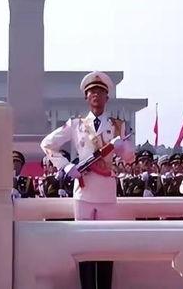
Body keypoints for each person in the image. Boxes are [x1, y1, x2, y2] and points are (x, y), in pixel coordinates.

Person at [41, 71, 135, 289]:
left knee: (106, 248)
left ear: (107, 97)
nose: (96, 95)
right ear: (86, 97)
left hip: (107, 192)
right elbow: (47, 144)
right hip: (83, 191)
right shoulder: (76, 124)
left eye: (100, 91)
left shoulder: (117, 126)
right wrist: (66, 166)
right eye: (92, 92)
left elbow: (130, 158)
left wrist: (122, 148)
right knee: (84, 246)